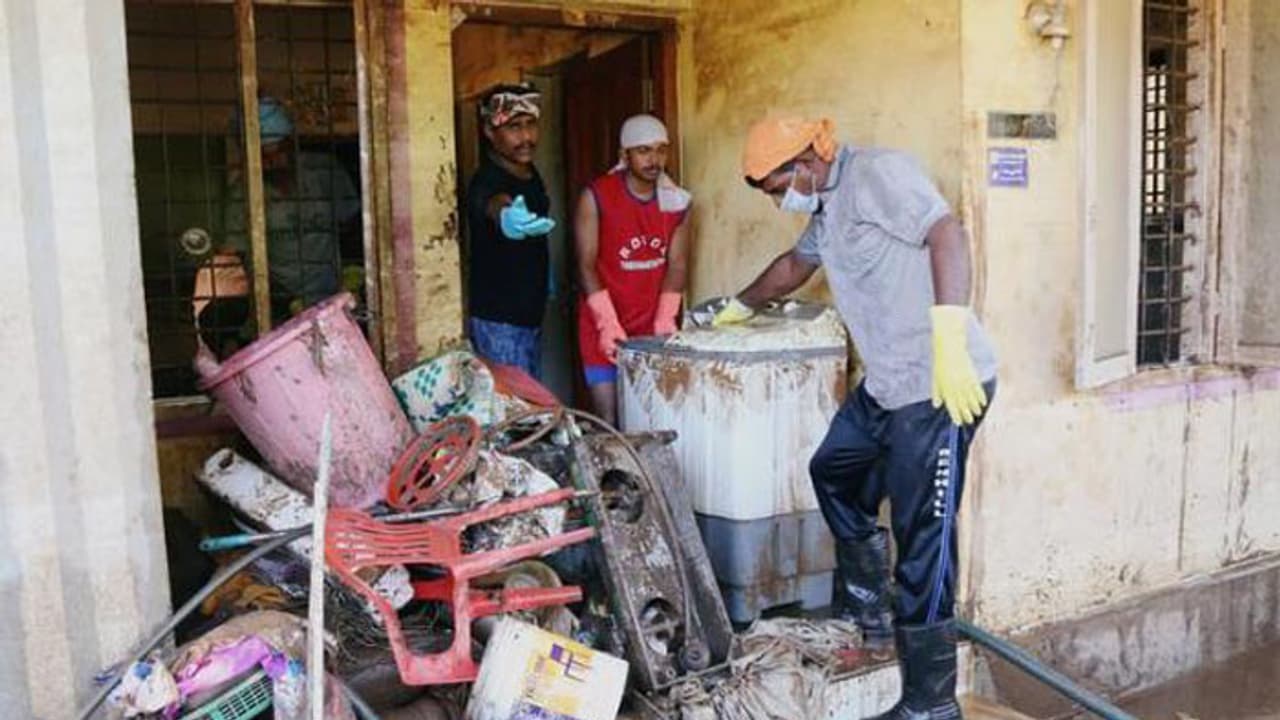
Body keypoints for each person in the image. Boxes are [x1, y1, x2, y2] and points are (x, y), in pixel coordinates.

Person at [716, 117, 998, 720]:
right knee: (834, 470)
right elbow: (795, 265)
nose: (776, 199)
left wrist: (949, 334)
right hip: (889, 384)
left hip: (940, 384)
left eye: (775, 186)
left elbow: (947, 232)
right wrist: (738, 306)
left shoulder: (876, 174)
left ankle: (931, 705)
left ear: (809, 160)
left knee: (925, 542)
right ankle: (869, 607)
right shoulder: (828, 206)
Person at [574, 114, 691, 425]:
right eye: (643, 151)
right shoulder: (596, 196)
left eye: (660, 150)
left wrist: (666, 317)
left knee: (654, 419)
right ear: (624, 155)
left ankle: (644, 476)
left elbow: (678, 265)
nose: (654, 159)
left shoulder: (677, 202)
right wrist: (607, 323)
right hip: (604, 326)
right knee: (610, 420)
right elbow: (585, 265)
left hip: (652, 327)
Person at [221, 97, 361, 323]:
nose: (271, 161)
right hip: (281, 301)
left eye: (276, 150)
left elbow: (353, 226)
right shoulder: (243, 193)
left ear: (290, 143)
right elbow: (244, 257)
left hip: (333, 292)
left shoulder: (323, 170)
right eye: (262, 155)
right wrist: (282, 302)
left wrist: (353, 280)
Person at [464, 83, 557, 377]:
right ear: (490, 133)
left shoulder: (529, 172)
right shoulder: (487, 180)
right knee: (514, 414)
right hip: (499, 321)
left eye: (531, 125)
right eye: (514, 127)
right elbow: (491, 202)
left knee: (529, 406)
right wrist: (505, 215)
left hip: (528, 315)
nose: (526, 137)